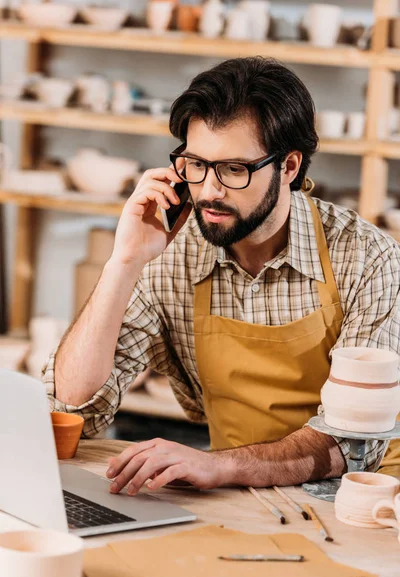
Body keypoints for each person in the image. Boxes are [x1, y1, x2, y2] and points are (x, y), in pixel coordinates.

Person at [43, 57, 400, 496]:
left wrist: (219, 465)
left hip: (364, 501)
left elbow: (355, 442)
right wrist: (124, 261)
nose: (209, 191)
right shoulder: (171, 253)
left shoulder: (366, 257)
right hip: (239, 495)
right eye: (195, 164)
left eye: (234, 169)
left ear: (288, 168)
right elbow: (73, 412)